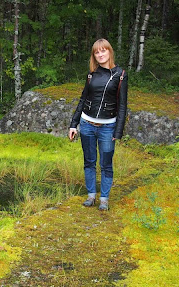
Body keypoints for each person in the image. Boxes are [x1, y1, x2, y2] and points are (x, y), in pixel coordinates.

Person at [69, 39, 128, 211]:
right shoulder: (91, 74)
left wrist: (119, 131)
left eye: (103, 51)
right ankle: (91, 196)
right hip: (86, 124)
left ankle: (104, 199)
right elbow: (83, 99)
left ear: (110, 52)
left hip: (108, 127)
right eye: (97, 52)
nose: (100, 55)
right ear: (94, 55)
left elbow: (123, 105)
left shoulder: (121, 75)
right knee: (89, 161)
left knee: (106, 164)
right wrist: (74, 124)